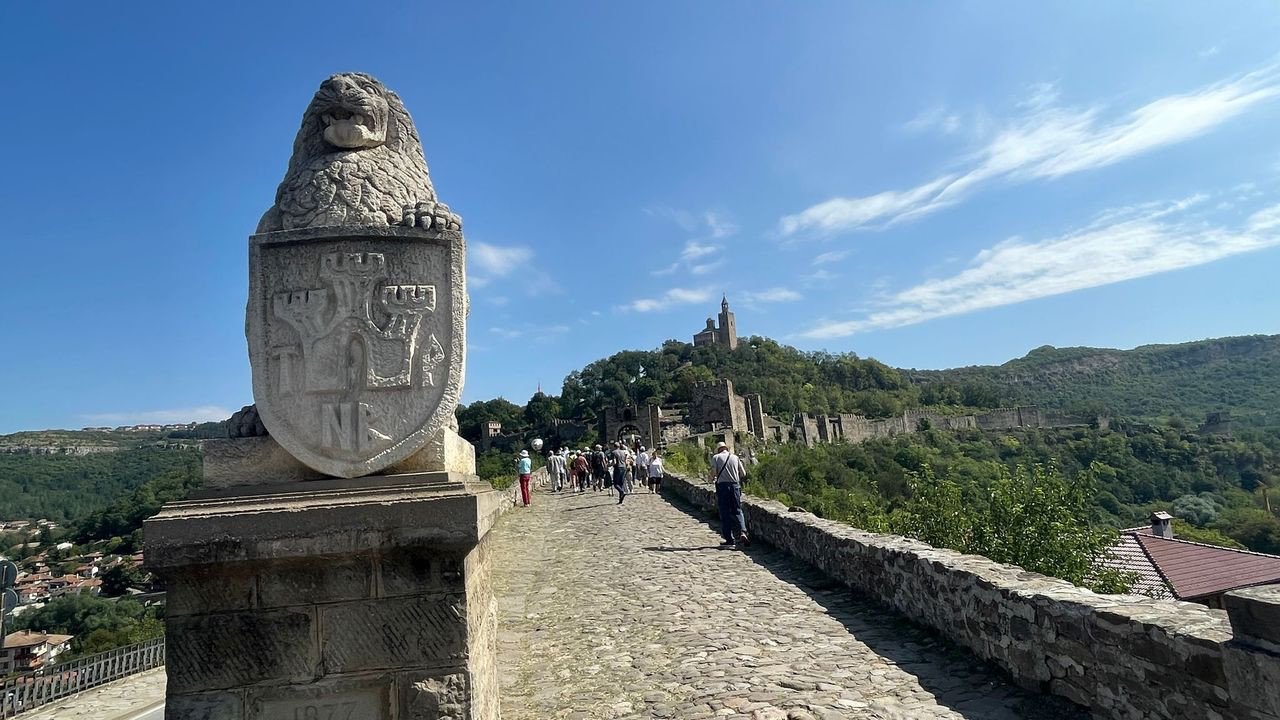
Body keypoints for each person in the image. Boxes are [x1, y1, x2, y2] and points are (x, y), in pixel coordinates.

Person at [709, 441, 749, 548]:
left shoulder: (716, 458)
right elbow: (743, 473)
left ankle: (729, 539)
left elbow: (713, 473)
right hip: (735, 486)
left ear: (718, 449)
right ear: (726, 448)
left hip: (722, 487)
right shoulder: (735, 457)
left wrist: (711, 479)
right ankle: (743, 532)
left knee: (725, 512)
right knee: (737, 510)